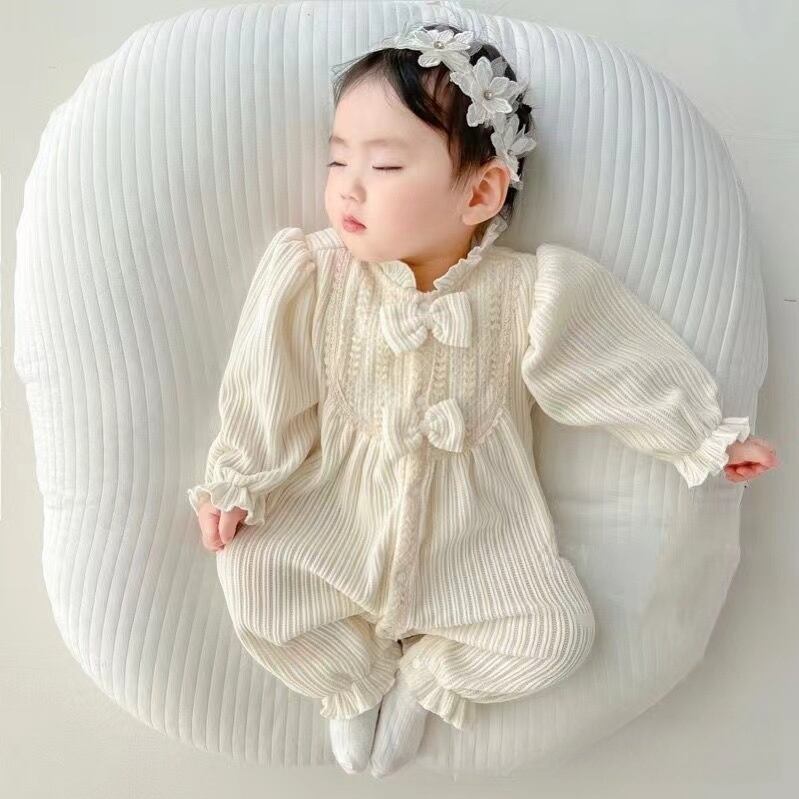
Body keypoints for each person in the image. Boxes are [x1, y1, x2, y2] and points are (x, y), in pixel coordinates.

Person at [187, 22, 779, 779]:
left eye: (385, 164)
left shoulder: (526, 292)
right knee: (255, 573)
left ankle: (430, 678)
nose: (348, 186)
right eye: (337, 159)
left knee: (556, 637)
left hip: (479, 541)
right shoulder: (316, 273)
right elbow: (266, 384)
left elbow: (613, 364)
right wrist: (239, 479)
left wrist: (700, 436)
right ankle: (350, 679)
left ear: (480, 191)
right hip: (335, 514)